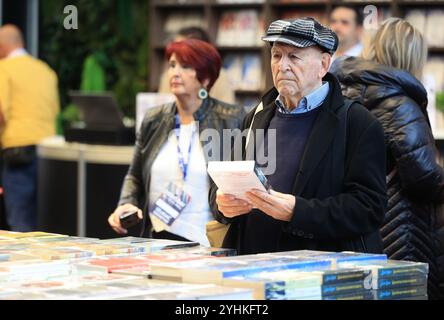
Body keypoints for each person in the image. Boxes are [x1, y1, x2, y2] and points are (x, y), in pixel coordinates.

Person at [209, 17, 387, 255]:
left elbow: (369, 208)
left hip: (316, 273)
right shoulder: (255, 116)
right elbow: (220, 187)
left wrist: (297, 211)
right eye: (277, 55)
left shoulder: (357, 123)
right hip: (250, 266)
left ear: (324, 65)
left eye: (294, 56)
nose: (282, 66)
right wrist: (223, 204)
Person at [332, 18, 444, 300]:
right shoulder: (398, 103)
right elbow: (424, 178)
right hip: (400, 229)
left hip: (352, 225)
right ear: (413, 56)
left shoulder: (343, 92)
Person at [108, 39, 245, 245]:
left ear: (206, 78)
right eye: (172, 65)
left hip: (209, 242)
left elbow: (240, 183)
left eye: (186, 66)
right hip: (157, 240)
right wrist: (126, 204)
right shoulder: (154, 119)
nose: (175, 72)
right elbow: (135, 175)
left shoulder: (231, 118)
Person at [0, 25, 60, 232]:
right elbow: (54, 110)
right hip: (49, 155)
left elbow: (0, 111)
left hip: (18, 154)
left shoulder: (3, 68)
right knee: (45, 222)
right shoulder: (45, 70)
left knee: (20, 222)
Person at [158, 26, 236, 104]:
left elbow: (228, 112)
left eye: (183, 47)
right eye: (172, 65)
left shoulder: (219, 76)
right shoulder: (169, 76)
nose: (176, 51)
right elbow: (162, 108)